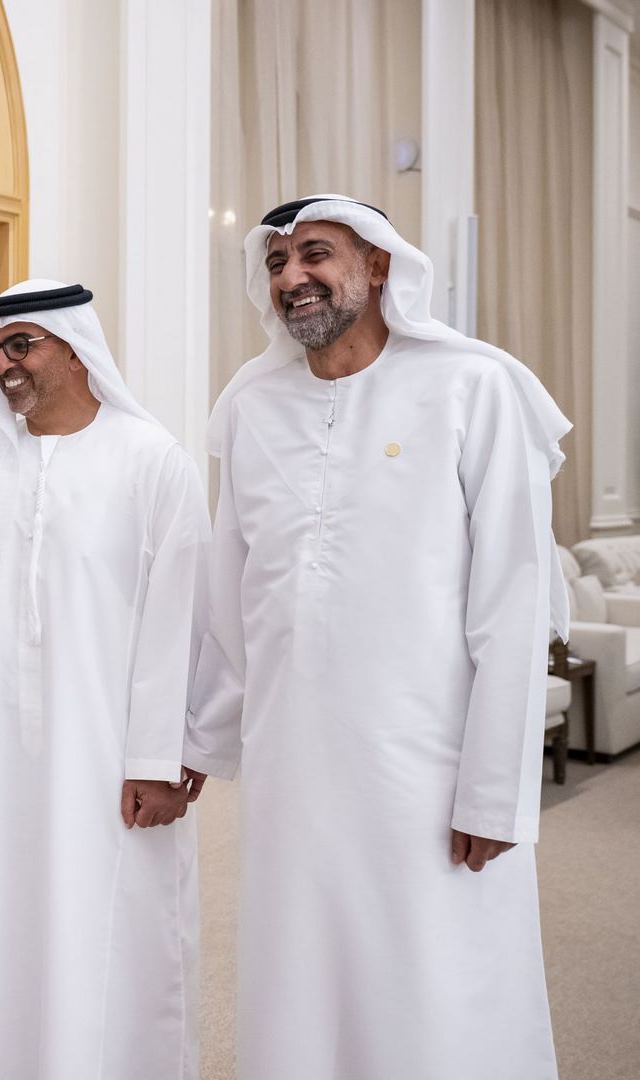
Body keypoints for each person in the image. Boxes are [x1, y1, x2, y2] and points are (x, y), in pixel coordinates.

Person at [184, 195, 569, 1080]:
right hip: (292, 770)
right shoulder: (251, 407)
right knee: (301, 982)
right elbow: (233, 598)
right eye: (276, 262)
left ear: (381, 265)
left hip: (427, 769)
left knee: (435, 982)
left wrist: (493, 793)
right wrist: (199, 738)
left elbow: (512, 602)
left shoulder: (473, 386)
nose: (293, 276)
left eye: (316, 254)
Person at [0, 280, 205, 1080]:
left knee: (109, 934)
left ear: (76, 351)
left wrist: (159, 757)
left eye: (23, 345)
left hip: (110, 762)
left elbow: (182, 617)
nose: (3, 363)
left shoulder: (151, 460)